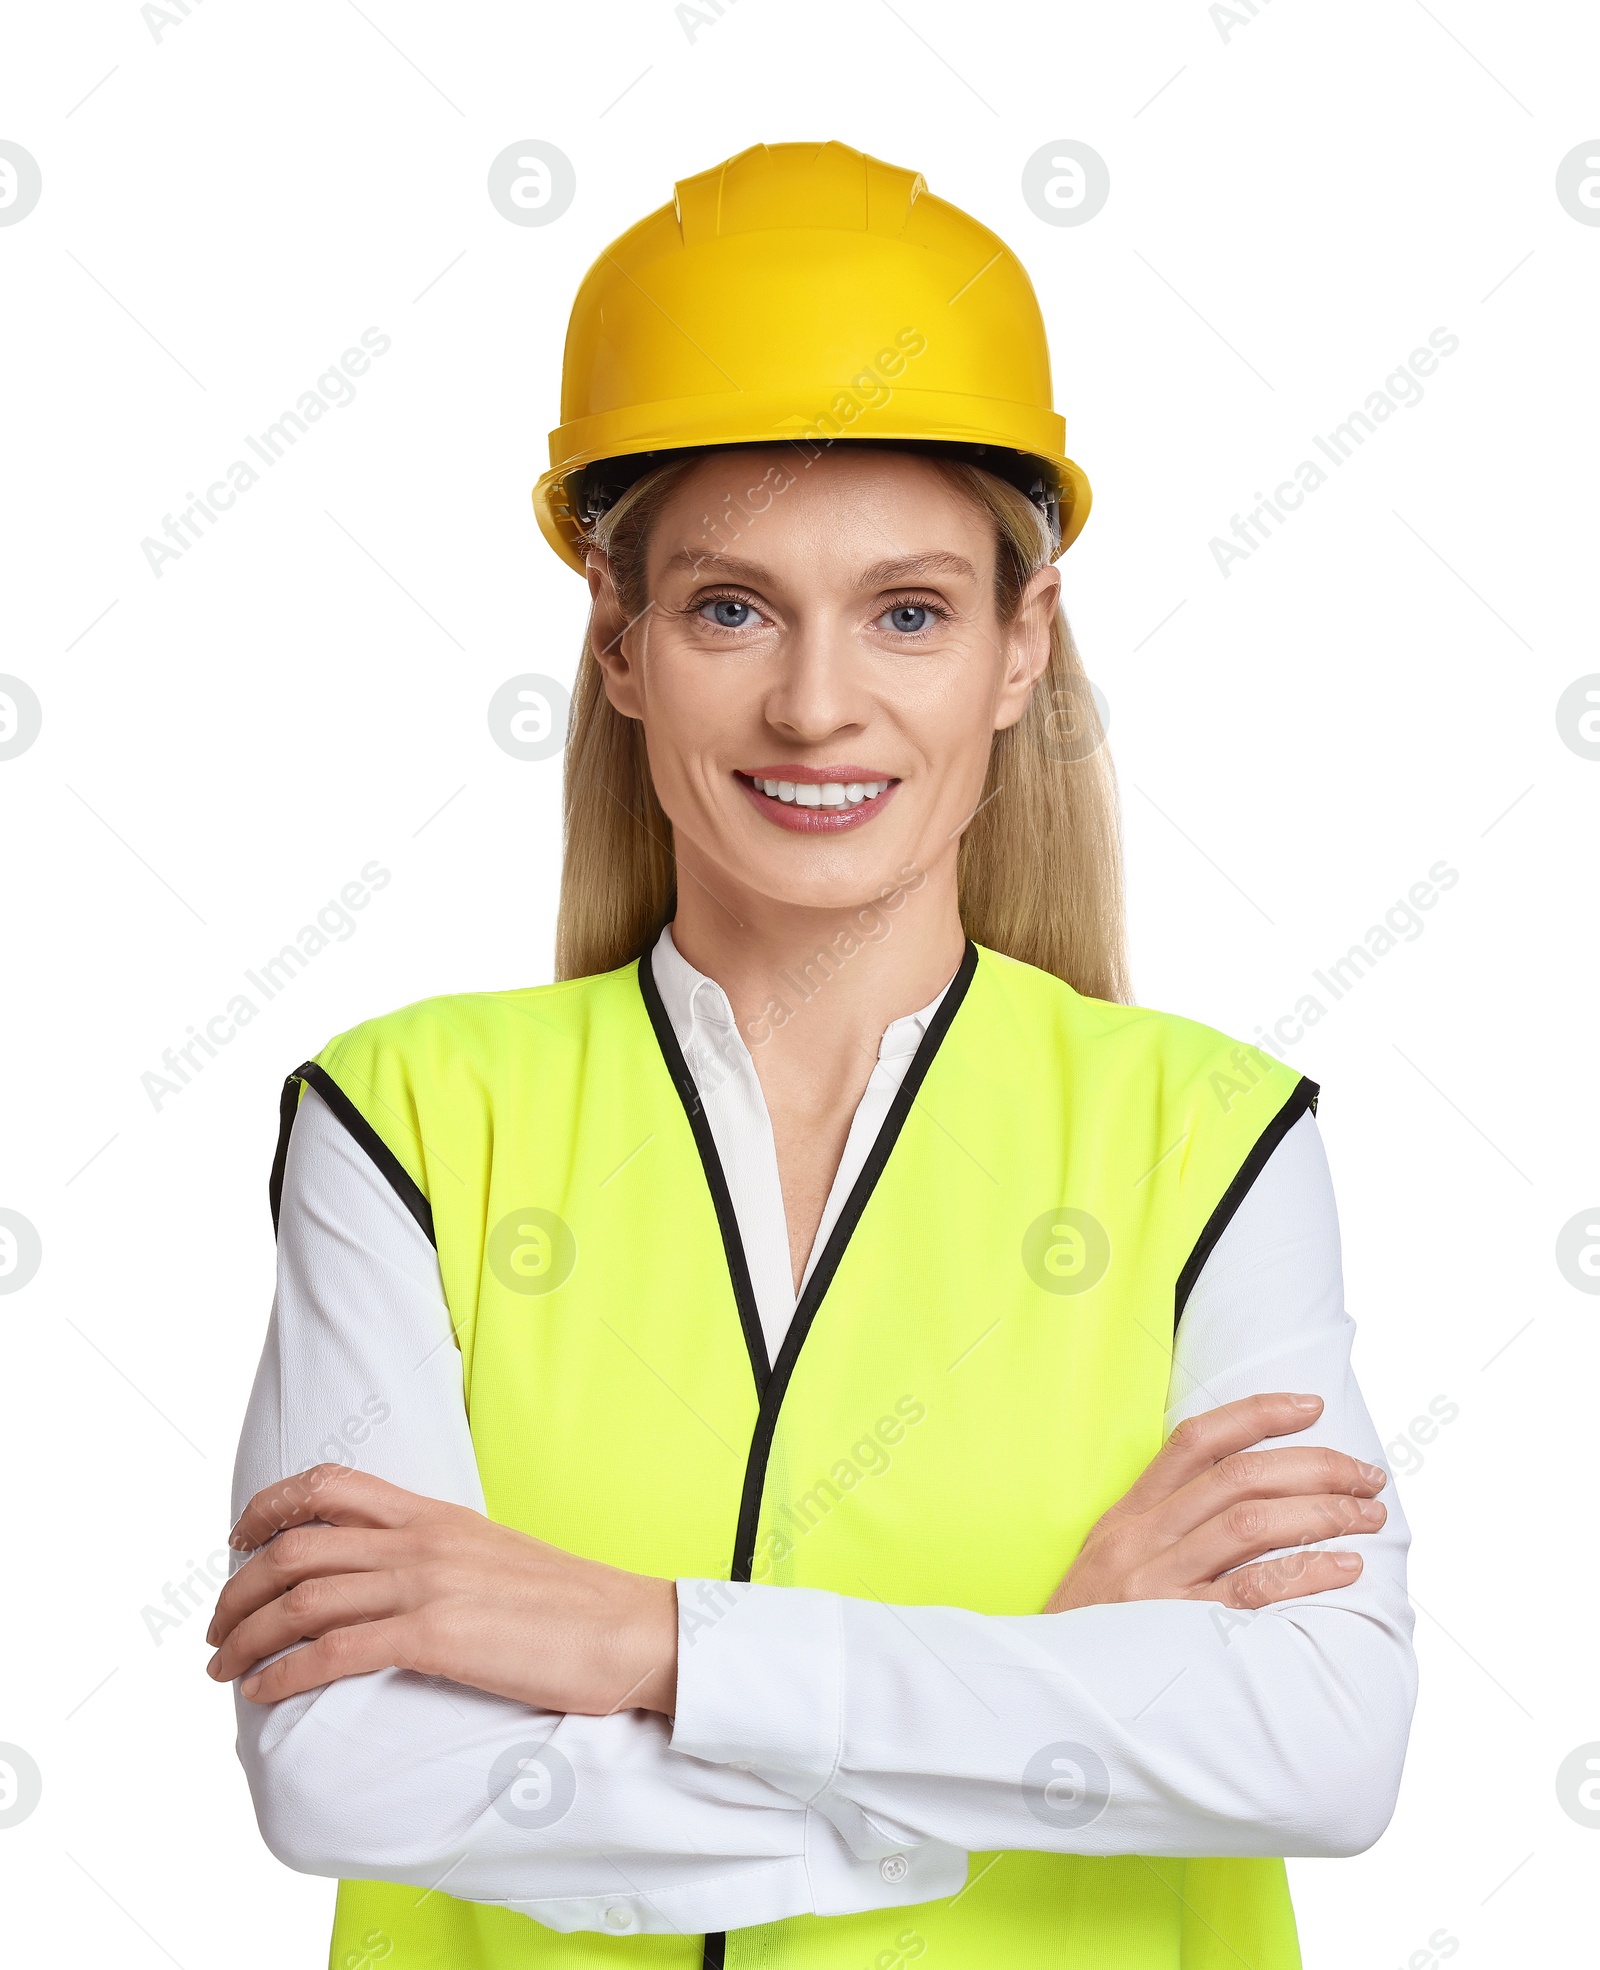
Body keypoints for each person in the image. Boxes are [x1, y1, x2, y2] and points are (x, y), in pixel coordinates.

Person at [209, 140, 1415, 1969]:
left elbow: (1324, 1747)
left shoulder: (1214, 1141)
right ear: (619, 642)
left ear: (1023, 645)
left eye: (910, 610)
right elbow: (348, 1769)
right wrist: (1048, 1698)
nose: (816, 702)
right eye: (730, 606)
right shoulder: (403, 1124)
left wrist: (645, 1643)